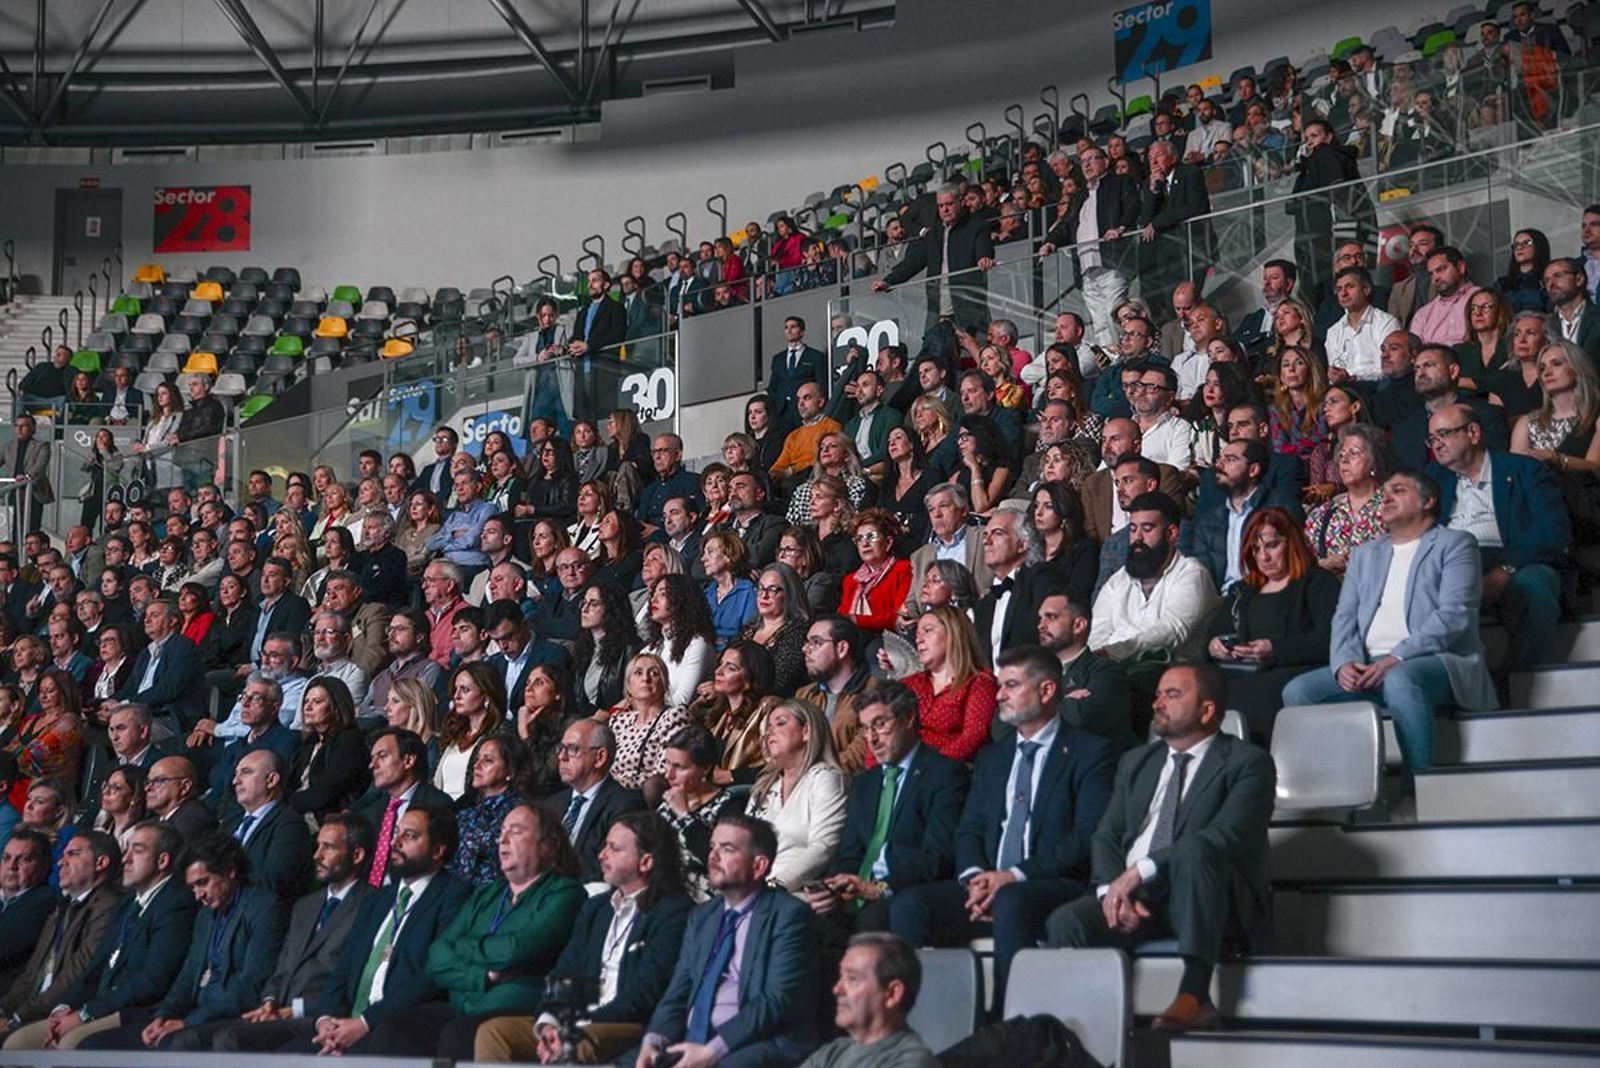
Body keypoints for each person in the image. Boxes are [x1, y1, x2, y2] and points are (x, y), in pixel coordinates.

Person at [1045, 663, 1275, 1031]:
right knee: (1067, 921)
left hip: (1211, 897)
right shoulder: (1137, 762)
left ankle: (1195, 995)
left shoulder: (1249, 762)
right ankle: (1087, 1028)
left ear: (1207, 709)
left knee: (1195, 850)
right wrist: (1111, 891)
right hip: (1139, 900)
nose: (1157, 704)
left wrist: (1139, 871)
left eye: (1172, 695)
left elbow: (1228, 836)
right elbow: (1106, 836)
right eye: (1156, 695)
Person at [889, 646, 1114, 1009]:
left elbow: (1084, 838)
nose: (999, 696)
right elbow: (970, 828)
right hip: (989, 887)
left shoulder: (1091, 753)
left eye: (1010, 686)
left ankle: (1009, 1027)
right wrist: (975, 877)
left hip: (1053, 885)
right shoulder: (994, 756)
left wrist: (1012, 877)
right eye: (999, 686)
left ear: (1046, 690)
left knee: (1011, 901)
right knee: (910, 905)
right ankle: (918, 1023)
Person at [1282, 471, 1497, 770]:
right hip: (1369, 664)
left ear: (1428, 501)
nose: (1386, 497)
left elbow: (1454, 615)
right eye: (1384, 492)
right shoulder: (1364, 554)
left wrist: (1398, 657)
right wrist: (1344, 662)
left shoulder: (1456, 544)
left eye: (1398, 490)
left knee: (1400, 679)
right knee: (1298, 691)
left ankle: (1419, 789)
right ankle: (1340, 786)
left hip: (1436, 660)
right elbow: (1344, 618)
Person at [474, 810, 695, 1064]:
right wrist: (549, 1022)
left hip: (627, 1024)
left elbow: (646, 992)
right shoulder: (596, 908)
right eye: (605, 846)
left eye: (614, 848)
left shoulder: (674, 912)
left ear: (646, 862)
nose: (602, 855)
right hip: (576, 1022)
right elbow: (566, 969)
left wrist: (581, 1024)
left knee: (574, 1044)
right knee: (493, 1034)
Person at [633, 812, 819, 1068]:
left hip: (759, 1043)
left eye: (727, 849)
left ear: (759, 866)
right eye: (712, 847)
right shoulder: (702, 916)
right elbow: (678, 991)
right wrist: (654, 1041)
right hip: (694, 1043)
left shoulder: (789, 915)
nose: (712, 856)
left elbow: (777, 1000)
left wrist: (713, 1051)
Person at [286, 802, 470, 1056]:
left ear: (438, 850)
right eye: (396, 833)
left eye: (409, 836)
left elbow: (430, 977)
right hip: (345, 1023)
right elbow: (344, 969)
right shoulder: (378, 899)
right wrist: (327, 1020)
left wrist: (364, 1023)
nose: (395, 843)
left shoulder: (454, 897)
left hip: (394, 1027)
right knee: (281, 1054)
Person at [75, 830, 286, 1051]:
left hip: (228, 1016)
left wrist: (186, 1023)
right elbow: (187, 976)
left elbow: (250, 987)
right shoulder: (205, 915)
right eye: (193, 887)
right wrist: (164, 1016)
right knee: (93, 1044)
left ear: (230, 871)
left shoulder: (264, 907)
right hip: (192, 1013)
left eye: (203, 883)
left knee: (173, 1043)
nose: (198, 895)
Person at [3, 821, 198, 1051]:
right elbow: (93, 970)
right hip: (99, 1005)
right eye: (126, 851)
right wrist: (65, 1007)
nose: (125, 859)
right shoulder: (127, 904)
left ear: (163, 860)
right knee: (18, 1043)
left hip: (136, 1011)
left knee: (69, 1045)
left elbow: (153, 980)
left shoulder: (176, 903)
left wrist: (86, 1013)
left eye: (137, 851)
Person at [199, 812, 374, 1052]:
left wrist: (295, 1009)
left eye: (328, 848)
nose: (317, 855)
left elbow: (351, 979)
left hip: (320, 1016)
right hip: (278, 1011)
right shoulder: (305, 905)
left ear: (357, 855)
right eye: (317, 846)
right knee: (187, 1039)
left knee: (230, 1039)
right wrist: (269, 1002)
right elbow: (282, 967)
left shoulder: (372, 905)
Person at [807, 682, 968, 935]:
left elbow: (938, 857)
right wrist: (834, 887)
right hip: (855, 897)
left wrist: (880, 888)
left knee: (872, 920)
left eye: (880, 724)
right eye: (866, 728)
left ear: (908, 719)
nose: (871, 738)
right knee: (802, 921)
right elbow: (849, 854)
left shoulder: (945, 775)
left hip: (903, 893)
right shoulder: (863, 784)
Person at [1425, 404, 1570, 678]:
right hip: (1452, 565)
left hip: (1517, 559)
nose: (1437, 444)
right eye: (1432, 438)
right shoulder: (1433, 478)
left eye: (1443, 434)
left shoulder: (1524, 470)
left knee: (1535, 585)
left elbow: (1552, 532)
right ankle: (1440, 682)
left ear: (1473, 432)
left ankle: (1515, 682)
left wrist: (1506, 569)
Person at [1205, 508, 1340, 743]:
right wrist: (1215, 645)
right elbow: (1212, 636)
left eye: (1272, 545)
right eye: (1256, 549)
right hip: (1244, 670)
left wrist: (1274, 649)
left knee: (1259, 691)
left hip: (1295, 667)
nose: (1264, 557)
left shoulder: (1317, 582)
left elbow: (1329, 639)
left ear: (1292, 544)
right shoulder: (1243, 590)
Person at [0, 830, 123, 1037]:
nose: (61, 863)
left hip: (61, 1010)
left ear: (100, 863)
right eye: (63, 855)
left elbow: (75, 974)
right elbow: (30, 974)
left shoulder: (108, 907)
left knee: (14, 1043)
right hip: (33, 1006)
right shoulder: (62, 906)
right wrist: (4, 1009)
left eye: (73, 854)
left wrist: (17, 1017)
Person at [1091, 492, 1222, 666]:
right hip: (1112, 671)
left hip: (1170, 673)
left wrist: (1112, 653)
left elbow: (1171, 632)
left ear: (1171, 533)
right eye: (1133, 529)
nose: (1137, 537)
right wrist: (1099, 661)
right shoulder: (1119, 580)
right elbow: (1097, 632)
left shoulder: (1192, 574)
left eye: (1147, 529)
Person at [1039, 147, 1140, 349]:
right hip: (1085, 270)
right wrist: (1051, 241)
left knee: (1115, 313)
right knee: (1099, 322)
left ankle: (1127, 353)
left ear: (1105, 162)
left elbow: (1133, 206)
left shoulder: (1119, 183)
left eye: (1092, 159)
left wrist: (1120, 227)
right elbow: (1065, 224)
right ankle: (1110, 361)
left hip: (1112, 262)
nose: (1086, 164)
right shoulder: (1079, 196)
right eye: (1082, 161)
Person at [747, 700, 849, 891]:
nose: (770, 732)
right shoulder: (763, 786)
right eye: (768, 727)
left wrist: (775, 885)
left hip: (793, 892)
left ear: (807, 731)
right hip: (750, 890)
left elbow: (823, 847)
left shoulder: (826, 778)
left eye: (780, 723)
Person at [875, 183, 998, 334]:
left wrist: (984, 258)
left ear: (961, 202)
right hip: (937, 308)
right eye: (940, 206)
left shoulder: (976, 225)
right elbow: (913, 262)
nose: (945, 210)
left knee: (977, 351)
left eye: (949, 204)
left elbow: (984, 249)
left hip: (969, 306)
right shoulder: (933, 233)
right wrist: (889, 280)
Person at [551, 718, 648, 884]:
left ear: (600, 757)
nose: (561, 757)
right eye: (561, 748)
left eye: (572, 749)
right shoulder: (552, 804)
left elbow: (609, 869)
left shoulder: (626, 805)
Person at [900, 607, 996, 763]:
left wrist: (930, 768)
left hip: (951, 773)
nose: (918, 639)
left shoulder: (979, 684)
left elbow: (973, 738)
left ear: (953, 633)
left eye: (927, 630)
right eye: (917, 634)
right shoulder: (910, 683)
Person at [1305, 424, 1396, 573]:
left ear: (1374, 461)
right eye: (1341, 455)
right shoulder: (1323, 514)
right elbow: (1302, 567)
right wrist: (1323, 565)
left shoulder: (1394, 505)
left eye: (1354, 453)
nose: (1344, 460)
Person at [288, 675, 370, 825]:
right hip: (296, 817)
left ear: (336, 707)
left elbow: (325, 793)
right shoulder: (308, 743)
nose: (308, 707)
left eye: (317, 702)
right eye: (306, 701)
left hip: (327, 821)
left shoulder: (349, 740)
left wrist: (284, 804)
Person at [643, 573, 717, 707]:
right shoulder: (651, 647)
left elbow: (682, 701)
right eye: (653, 594)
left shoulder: (697, 643)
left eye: (663, 594)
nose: (653, 600)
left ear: (682, 600)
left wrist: (641, 701)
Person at [1323, 267, 1400, 382]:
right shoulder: (1333, 332)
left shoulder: (1386, 323)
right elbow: (1335, 370)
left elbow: (1389, 368)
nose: (1343, 293)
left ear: (1366, 289)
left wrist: (1355, 378)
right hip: (1345, 391)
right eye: (1339, 289)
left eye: (1350, 286)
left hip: (1378, 390)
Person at [768, 316, 827, 428]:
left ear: (802, 332)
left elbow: (821, 384)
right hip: (782, 412)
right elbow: (772, 386)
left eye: (793, 327)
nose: (789, 330)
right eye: (786, 327)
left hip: (804, 409)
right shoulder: (778, 358)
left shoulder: (815, 356)